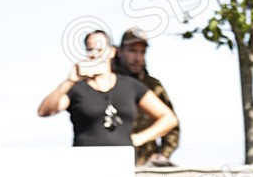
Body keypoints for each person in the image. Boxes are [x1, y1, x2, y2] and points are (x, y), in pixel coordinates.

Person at [37, 29, 177, 151]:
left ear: (112, 51)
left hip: (123, 162)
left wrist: (137, 139)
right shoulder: (76, 88)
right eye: (90, 49)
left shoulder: (130, 85)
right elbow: (44, 111)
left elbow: (169, 118)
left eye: (100, 49)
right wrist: (69, 81)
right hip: (85, 162)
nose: (95, 54)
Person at [113, 27, 180, 166]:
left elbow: (172, 126)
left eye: (142, 52)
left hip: (145, 164)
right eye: (132, 50)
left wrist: (163, 155)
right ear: (119, 51)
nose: (137, 58)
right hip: (112, 159)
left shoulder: (153, 87)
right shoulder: (107, 83)